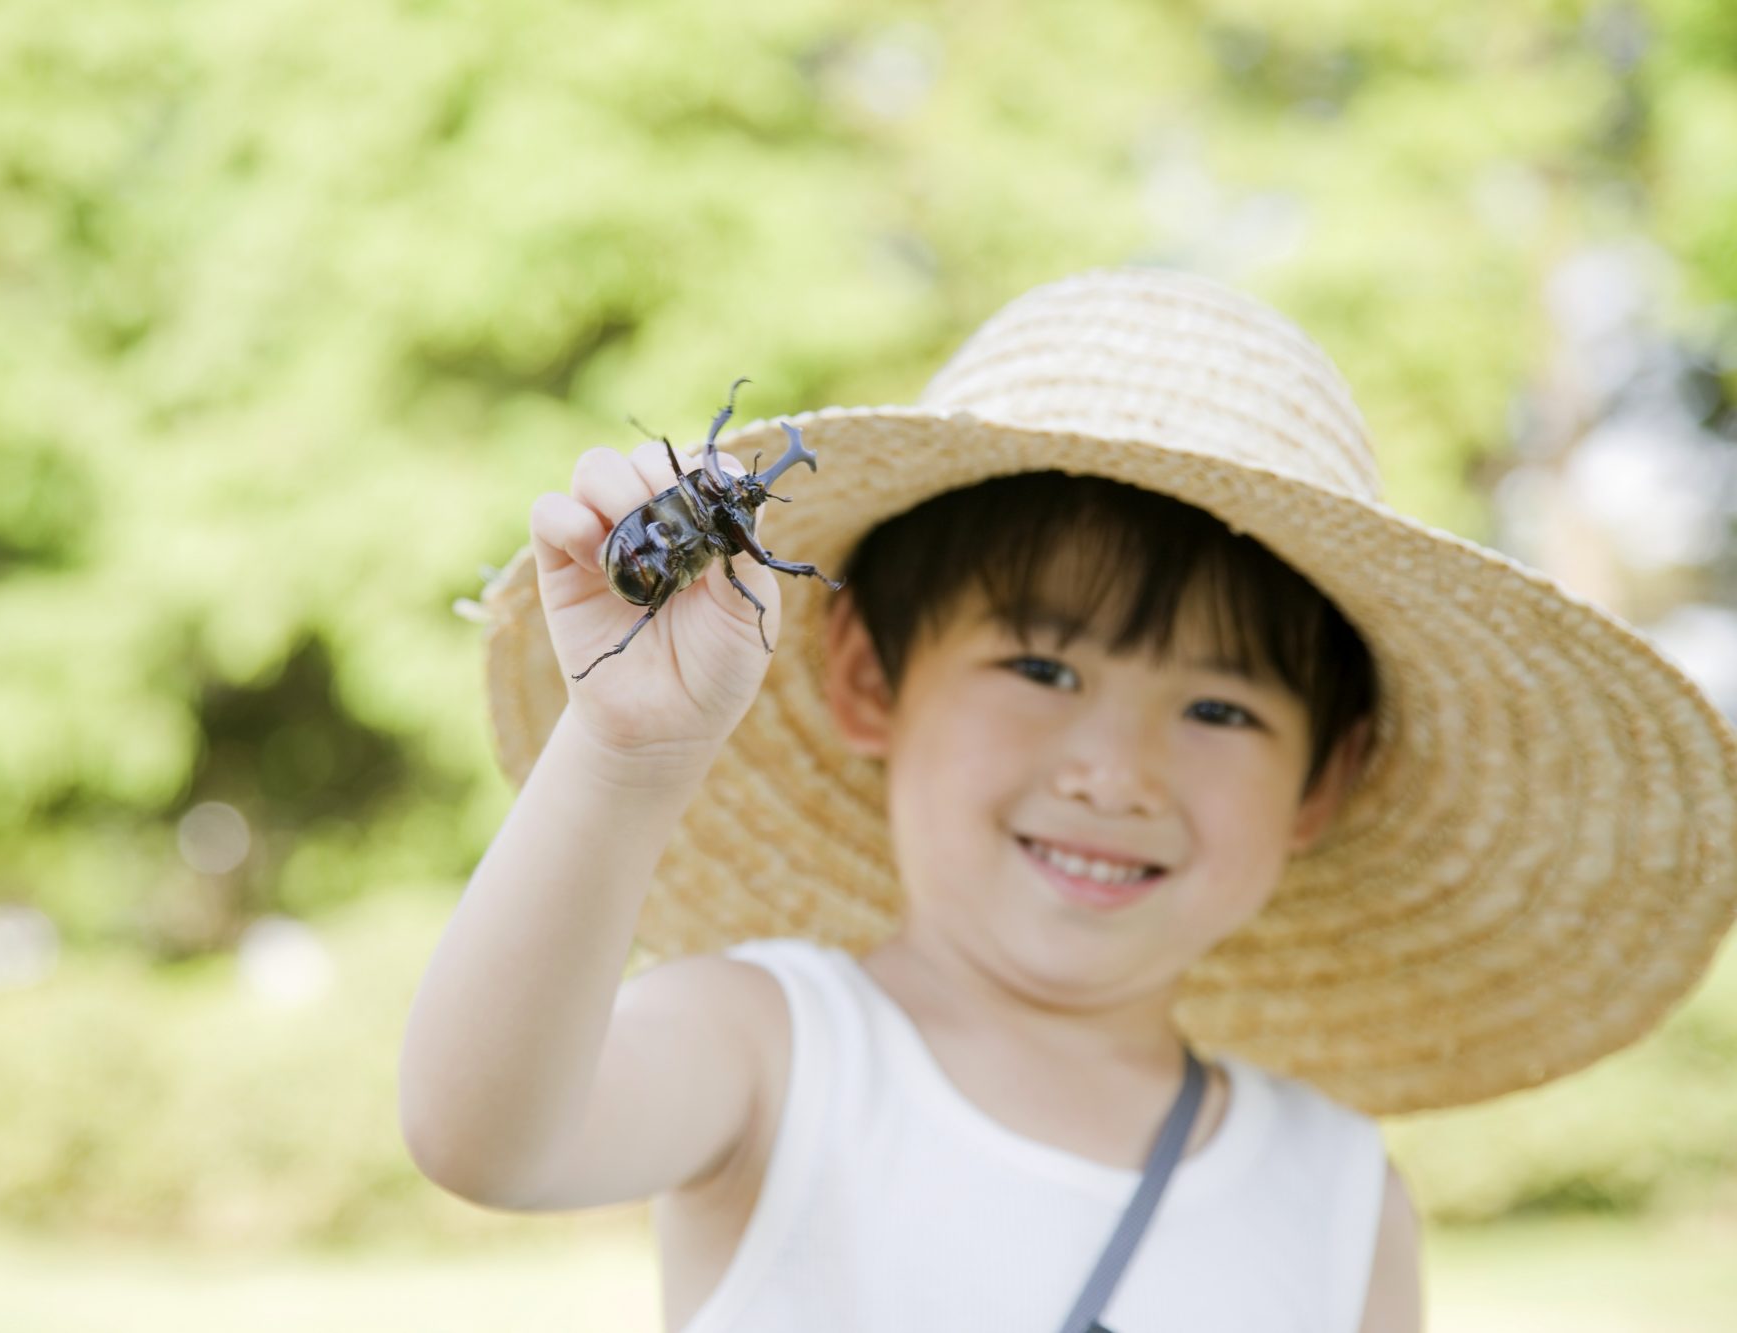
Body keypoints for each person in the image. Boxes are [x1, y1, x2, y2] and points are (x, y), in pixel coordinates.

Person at [398, 268, 1737, 1332]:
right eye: (1040, 666)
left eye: (1221, 708)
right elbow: (484, 1134)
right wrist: (627, 758)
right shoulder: (775, 1047)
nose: (1116, 772)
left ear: (1324, 778)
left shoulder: (1342, 1196)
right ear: (867, 679)